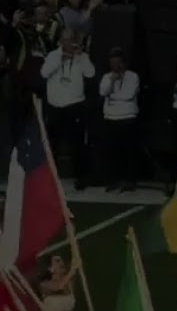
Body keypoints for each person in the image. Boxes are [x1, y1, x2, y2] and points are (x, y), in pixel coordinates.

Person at [39, 28, 95, 190]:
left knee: (77, 144)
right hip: (55, 106)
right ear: (60, 41)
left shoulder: (81, 56)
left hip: (74, 106)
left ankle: (81, 177)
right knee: (52, 144)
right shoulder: (52, 56)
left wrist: (80, 56)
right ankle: (50, 178)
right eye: (65, 39)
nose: (68, 43)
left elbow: (90, 73)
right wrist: (60, 59)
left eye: (71, 39)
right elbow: (44, 73)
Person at [97, 48, 141, 191]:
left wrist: (113, 97)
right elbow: (103, 92)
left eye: (118, 63)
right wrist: (112, 82)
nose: (116, 66)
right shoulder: (106, 77)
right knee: (112, 152)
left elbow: (128, 94)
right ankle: (113, 180)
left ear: (124, 63)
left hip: (128, 118)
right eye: (113, 63)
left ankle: (130, 180)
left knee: (129, 152)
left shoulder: (133, 77)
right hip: (110, 118)